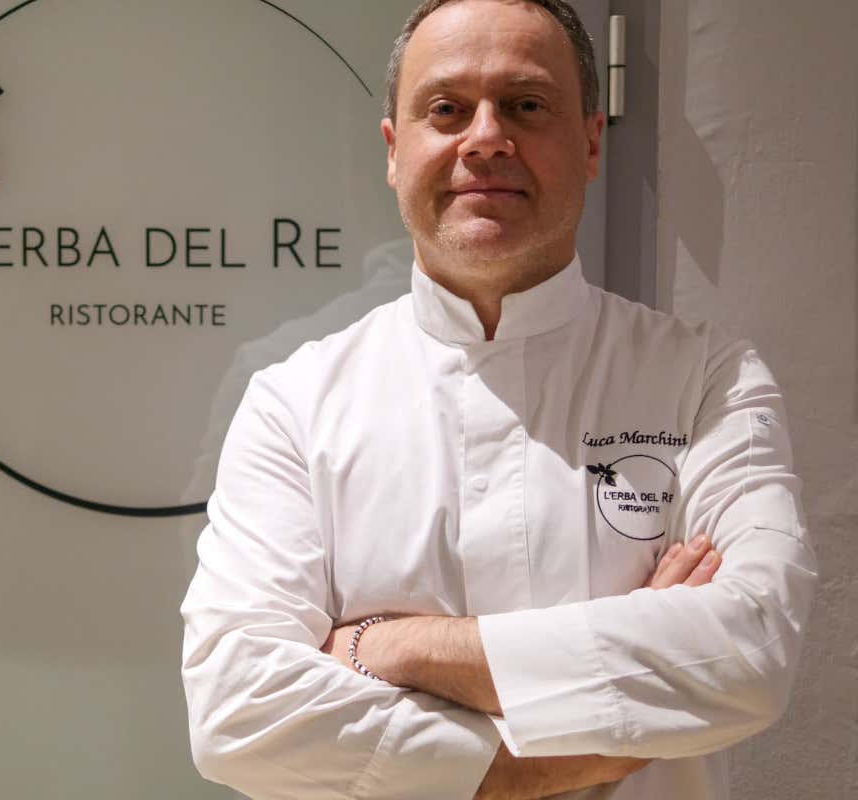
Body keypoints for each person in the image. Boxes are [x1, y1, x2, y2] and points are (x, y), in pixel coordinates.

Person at [179, 1, 818, 797]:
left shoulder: (706, 379)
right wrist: (530, 764)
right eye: (447, 109)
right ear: (394, 150)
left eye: (526, 105)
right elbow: (237, 708)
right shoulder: (293, 401)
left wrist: (394, 647)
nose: (485, 138)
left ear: (590, 142)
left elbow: (751, 647)